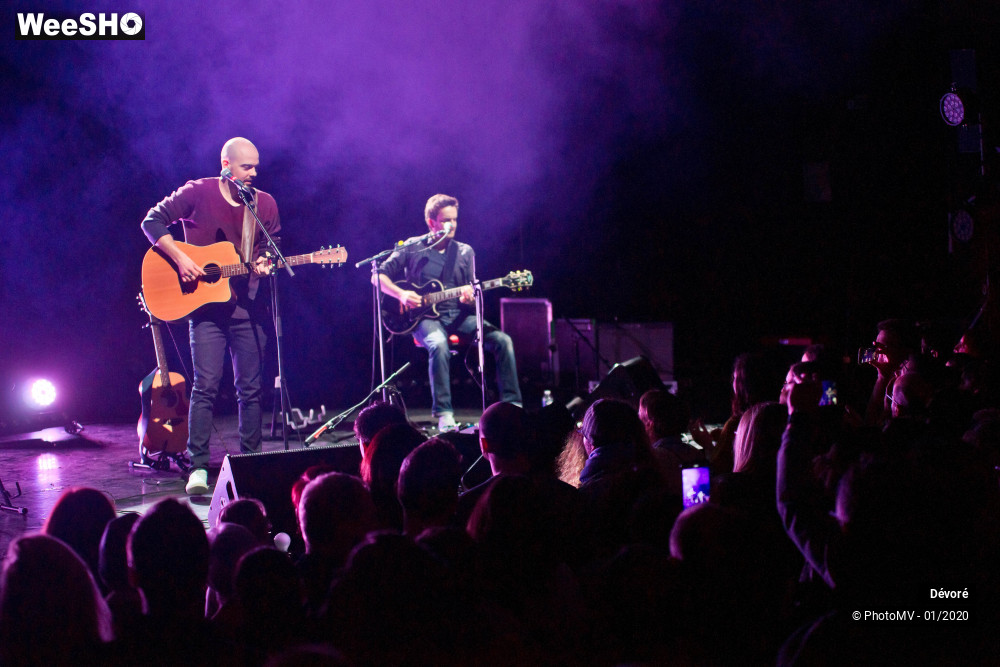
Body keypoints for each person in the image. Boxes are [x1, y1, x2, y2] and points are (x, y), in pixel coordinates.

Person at [141, 137, 280, 495]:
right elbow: (152, 221)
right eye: (246, 166)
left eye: (255, 167)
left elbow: (269, 248)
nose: (253, 173)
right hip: (204, 309)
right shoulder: (198, 192)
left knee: (250, 390)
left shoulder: (263, 204)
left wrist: (265, 265)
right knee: (205, 387)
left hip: (247, 308)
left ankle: (252, 463)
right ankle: (199, 468)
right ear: (226, 164)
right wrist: (181, 259)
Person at [375, 194, 521, 432]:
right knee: (439, 344)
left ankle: (514, 407)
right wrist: (401, 294)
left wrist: (470, 297)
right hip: (422, 318)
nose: (451, 225)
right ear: (431, 222)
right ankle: (444, 414)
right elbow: (377, 276)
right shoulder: (413, 248)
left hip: (457, 315)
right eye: (445, 221)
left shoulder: (465, 252)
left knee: (502, 340)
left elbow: (470, 297)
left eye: (454, 220)